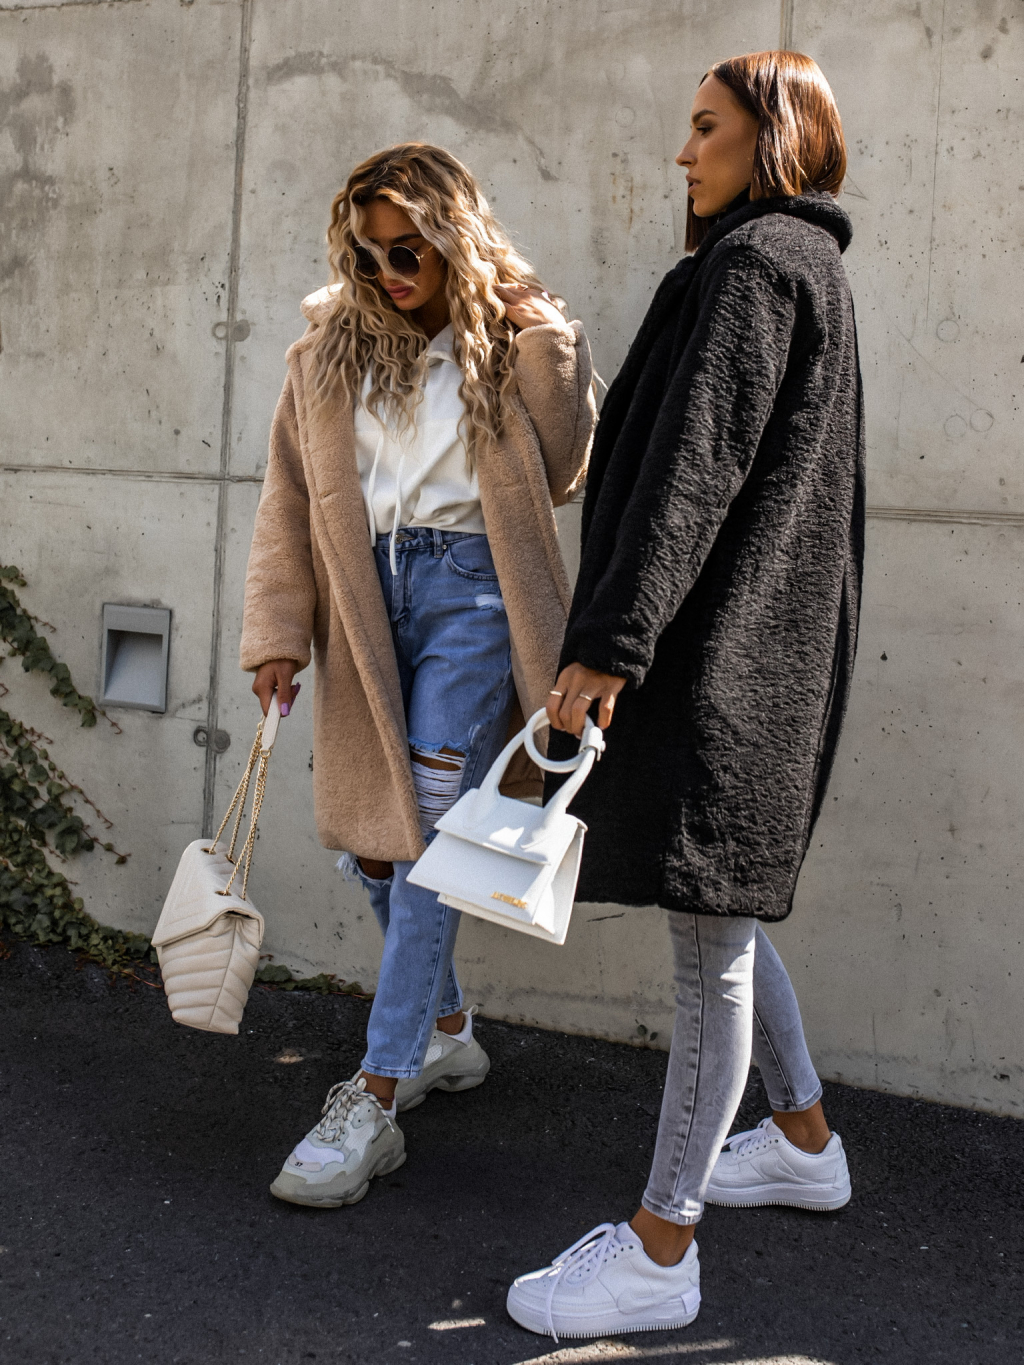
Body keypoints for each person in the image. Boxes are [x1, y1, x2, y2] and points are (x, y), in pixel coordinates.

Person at [506, 51, 864, 1340]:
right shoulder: (800, 265)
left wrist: (608, 640)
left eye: (706, 127)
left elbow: (690, 469)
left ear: (772, 137)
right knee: (722, 909)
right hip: (753, 657)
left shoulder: (756, 265)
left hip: (722, 664)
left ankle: (662, 1252)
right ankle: (804, 1142)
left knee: (708, 951)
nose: (682, 153)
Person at [239, 143, 595, 1208]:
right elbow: (287, 498)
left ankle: (376, 1094)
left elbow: (568, 467)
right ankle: (444, 1027)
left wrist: (549, 339)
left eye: (407, 251)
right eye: (368, 254)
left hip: (474, 598)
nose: (387, 273)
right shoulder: (326, 353)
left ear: (450, 239)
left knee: (429, 834)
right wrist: (277, 631)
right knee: (373, 843)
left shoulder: (509, 340)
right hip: (364, 598)